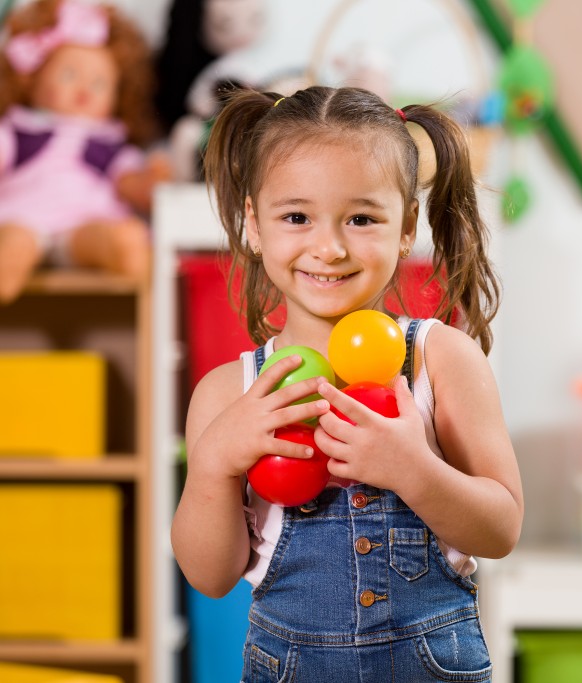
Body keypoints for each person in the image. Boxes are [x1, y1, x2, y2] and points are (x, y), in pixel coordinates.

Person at [171, 85, 523, 682]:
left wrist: (415, 468)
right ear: (254, 224)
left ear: (407, 225)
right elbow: (210, 576)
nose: (329, 247)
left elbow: (500, 528)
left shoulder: (441, 361)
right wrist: (213, 465)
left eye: (361, 218)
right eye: (296, 217)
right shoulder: (227, 393)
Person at [0, 0, 169, 304]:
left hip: (84, 226)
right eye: (68, 75)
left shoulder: (108, 143)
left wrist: (148, 183)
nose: (84, 90)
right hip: (24, 219)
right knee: (13, 245)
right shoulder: (19, 129)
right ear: (32, 79)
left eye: (99, 83)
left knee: (120, 238)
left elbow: (127, 180)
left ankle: (122, 250)